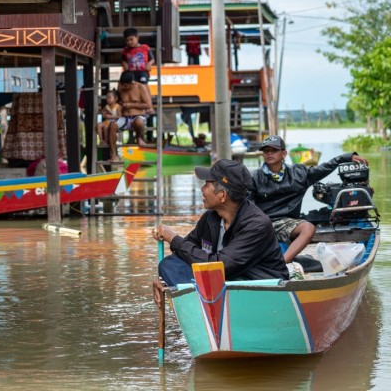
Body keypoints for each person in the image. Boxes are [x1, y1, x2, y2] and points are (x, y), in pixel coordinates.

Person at [151, 159, 288, 299]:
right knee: (169, 265)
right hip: (225, 281)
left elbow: (220, 265)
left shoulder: (257, 224)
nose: (202, 189)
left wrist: (173, 238)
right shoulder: (211, 217)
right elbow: (186, 252)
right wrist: (163, 279)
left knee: (211, 271)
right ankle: (202, 307)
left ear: (222, 195)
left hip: (257, 286)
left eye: (207, 185)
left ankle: (205, 305)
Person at [249, 135, 368, 264]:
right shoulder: (254, 177)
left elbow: (324, 168)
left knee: (308, 228)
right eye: (266, 151)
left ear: (283, 153)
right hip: (263, 223)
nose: (269, 154)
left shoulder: (298, 173)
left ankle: (281, 264)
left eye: (274, 150)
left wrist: (345, 157)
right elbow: (248, 206)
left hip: (287, 223)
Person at [116, 71, 152, 146]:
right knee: (112, 125)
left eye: (126, 86)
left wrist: (130, 105)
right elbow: (118, 101)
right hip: (124, 117)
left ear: (132, 83)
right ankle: (113, 153)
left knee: (139, 122)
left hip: (138, 116)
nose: (124, 87)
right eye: (122, 85)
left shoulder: (140, 87)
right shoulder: (120, 86)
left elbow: (148, 105)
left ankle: (138, 137)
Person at [96, 89, 122, 161]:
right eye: (107, 97)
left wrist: (111, 116)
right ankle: (101, 140)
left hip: (113, 122)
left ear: (115, 98)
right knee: (98, 125)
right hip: (107, 121)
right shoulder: (107, 106)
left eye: (109, 97)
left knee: (106, 127)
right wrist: (104, 114)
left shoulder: (117, 106)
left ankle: (107, 141)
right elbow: (103, 113)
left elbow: (119, 116)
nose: (108, 99)